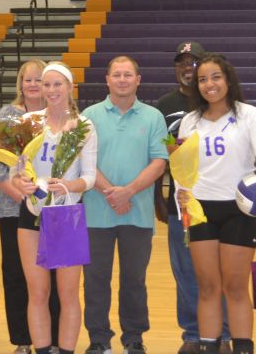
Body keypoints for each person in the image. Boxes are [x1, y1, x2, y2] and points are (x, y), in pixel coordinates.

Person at [176, 54, 256, 354]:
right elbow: (183, 170)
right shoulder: (190, 121)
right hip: (200, 211)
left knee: (235, 287)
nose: (210, 84)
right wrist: (180, 197)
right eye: (203, 79)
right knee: (208, 287)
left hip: (239, 211)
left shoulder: (249, 115)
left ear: (228, 79)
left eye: (216, 77)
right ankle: (209, 347)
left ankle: (243, 348)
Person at [81, 56, 168, 354]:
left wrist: (128, 191)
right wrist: (112, 193)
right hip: (95, 212)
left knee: (134, 281)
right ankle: (98, 339)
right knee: (95, 282)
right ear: (107, 79)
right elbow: (84, 161)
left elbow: (159, 163)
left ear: (138, 80)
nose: (122, 79)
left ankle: (133, 338)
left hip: (138, 214)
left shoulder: (154, 117)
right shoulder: (88, 116)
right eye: (116, 74)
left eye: (127, 75)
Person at [12, 62, 98, 354]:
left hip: (67, 214)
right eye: (46, 84)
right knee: (37, 292)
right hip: (32, 213)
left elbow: (90, 177)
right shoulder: (30, 122)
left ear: (70, 87)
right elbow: (18, 169)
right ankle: (44, 349)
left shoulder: (84, 125)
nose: (50, 90)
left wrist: (67, 186)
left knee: (68, 294)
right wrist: (22, 183)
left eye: (57, 84)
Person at [154, 42, 231, 354]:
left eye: (193, 62)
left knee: (219, 271)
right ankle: (191, 333)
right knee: (185, 271)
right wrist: (159, 198)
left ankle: (223, 333)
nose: (187, 67)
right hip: (180, 205)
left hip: (218, 204)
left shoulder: (217, 104)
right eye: (182, 62)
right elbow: (160, 154)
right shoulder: (164, 105)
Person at [0, 59, 61, 354]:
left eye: (39, 80)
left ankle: (53, 337)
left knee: (51, 274)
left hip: (51, 209)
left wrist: (43, 197)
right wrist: (19, 193)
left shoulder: (56, 116)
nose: (33, 85)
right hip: (13, 208)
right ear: (20, 84)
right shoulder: (8, 115)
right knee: (16, 274)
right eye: (27, 80)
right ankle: (22, 339)